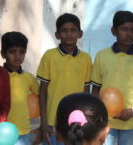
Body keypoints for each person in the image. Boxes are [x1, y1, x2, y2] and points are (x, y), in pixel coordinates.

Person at [91, 11, 133, 145]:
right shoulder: (101, 56)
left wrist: (132, 111)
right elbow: (96, 89)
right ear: (113, 31)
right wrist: (98, 117)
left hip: (132, 123)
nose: (129, 34)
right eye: (124, 29)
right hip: (105, 122)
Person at [37, 13, 92, 145]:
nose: (69, 34)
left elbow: (86, 92)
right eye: (64, 30)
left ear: (80, 33)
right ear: (57, 34)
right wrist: (43, 123)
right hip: (52, 121)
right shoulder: (49, 56)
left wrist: (84, 121)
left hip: (76, 123)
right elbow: (43, 91)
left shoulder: (86, 59)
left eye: (73, 30)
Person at [1, 31, 40, 145]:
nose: (17, 56)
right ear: (3, 54)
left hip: (23, 132)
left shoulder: (28, 77)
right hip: (2, 131)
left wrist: (41, 127)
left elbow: (41, 97)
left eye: (21, 52)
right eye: (12, 52)